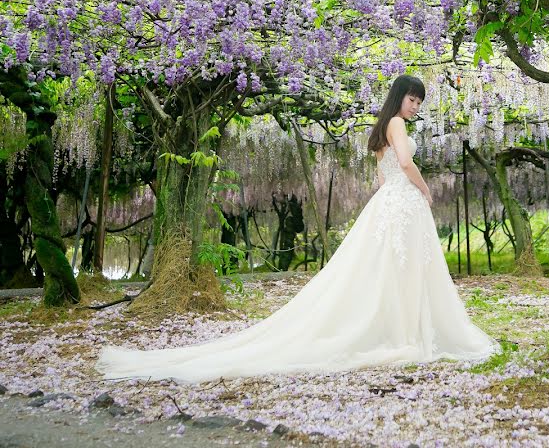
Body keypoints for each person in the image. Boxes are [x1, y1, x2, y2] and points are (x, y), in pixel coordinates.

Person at [96, 74, 499, 383]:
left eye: (418, 101)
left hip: (391, 202)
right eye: (413, 99)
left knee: (393, 268)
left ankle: (400, 327)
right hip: (404, 200)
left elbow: (382, 176)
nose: (415, 106)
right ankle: (404, 331)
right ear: (400, 98)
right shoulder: (396, 123)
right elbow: (407, 167)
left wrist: (394, 197)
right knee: (401, 268)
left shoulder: (381, 130)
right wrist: (426, 192)